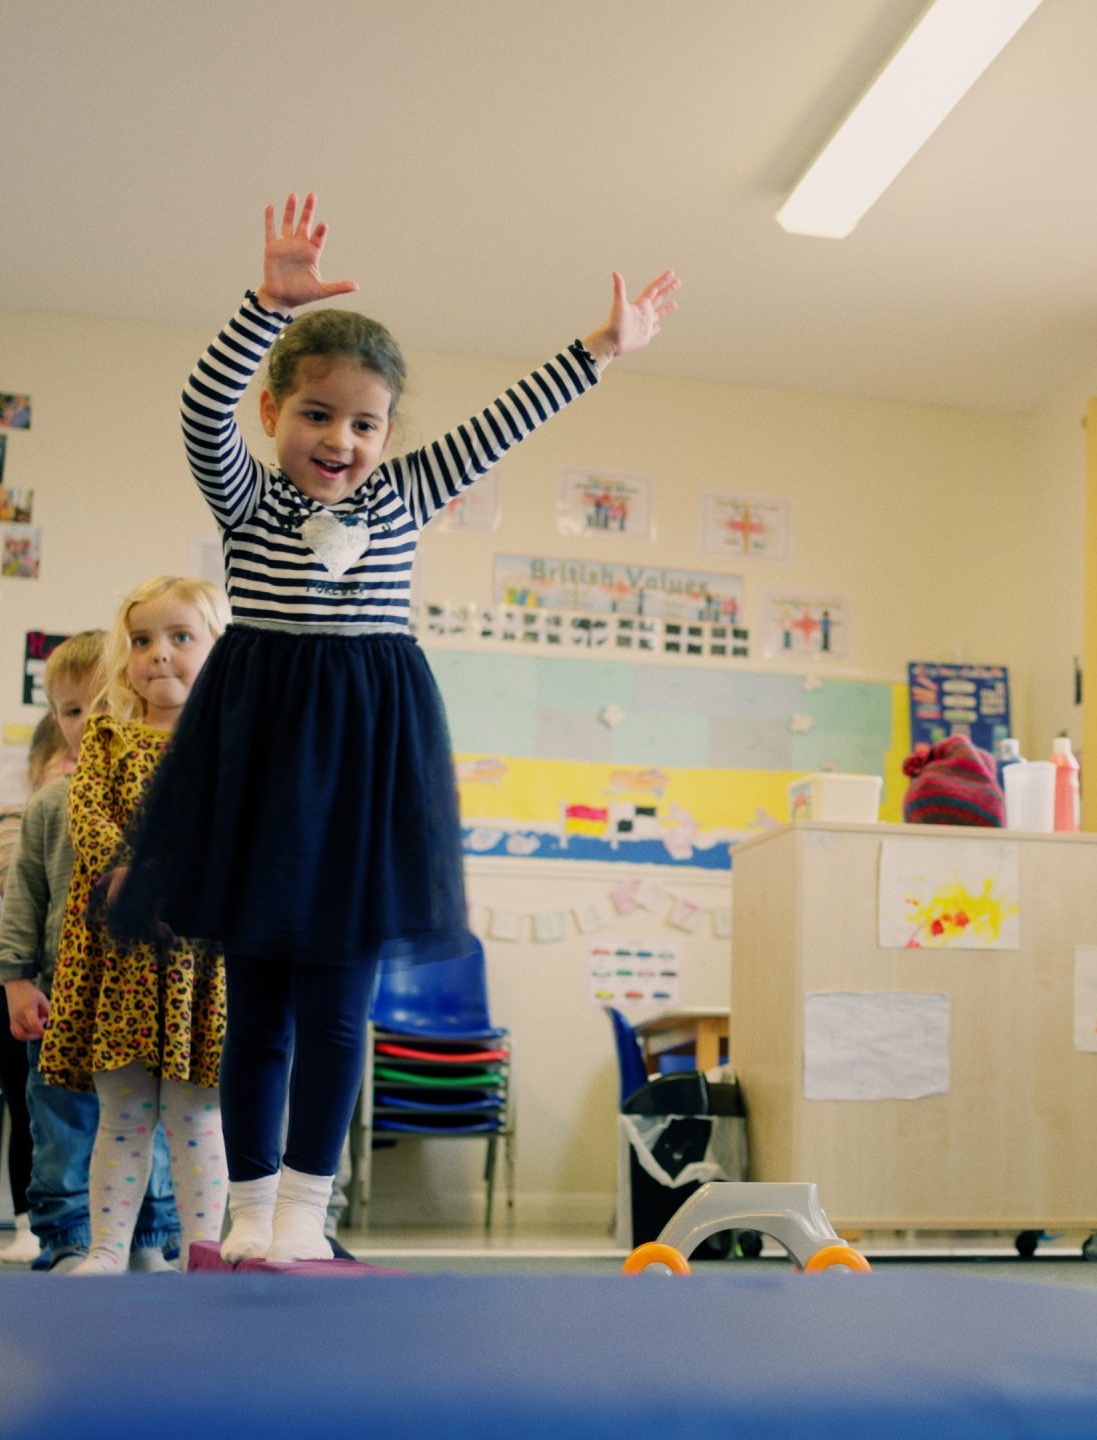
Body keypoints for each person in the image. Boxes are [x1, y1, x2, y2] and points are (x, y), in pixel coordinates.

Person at [110, 192, 675, 1263]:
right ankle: (245, 1209)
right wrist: (262, 303)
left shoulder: (407, 495)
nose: (340, 439)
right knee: (259, 1004)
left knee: (336, 1004)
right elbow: (198, 410)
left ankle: (304, 1215)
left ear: (388, 435)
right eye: (316, 414)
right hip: (264, 762)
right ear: (275, 410)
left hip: (366, 769)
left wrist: (601, 346)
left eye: (364, 422)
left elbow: (510, 417)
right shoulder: (246, 501)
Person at [0, 630, 185, 1273]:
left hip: (142, 997)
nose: (90, 723)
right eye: (73, 712)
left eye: (103, 706)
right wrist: (17, 980)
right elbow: (23, 900)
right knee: (64, 1124)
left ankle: (148, 1238)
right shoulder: (48, 804)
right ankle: (69, 1237)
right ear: (56, 722)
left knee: (148, 1124)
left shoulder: (158, 798)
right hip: (66, 998)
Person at [0, 717, 74, 1264]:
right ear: (36, 772)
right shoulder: (25, 819)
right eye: (62, 757)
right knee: (32, 1106)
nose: (75, 761)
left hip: (97, 984)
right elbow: (14, 883)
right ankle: (28, 1220)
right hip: (31, 982)